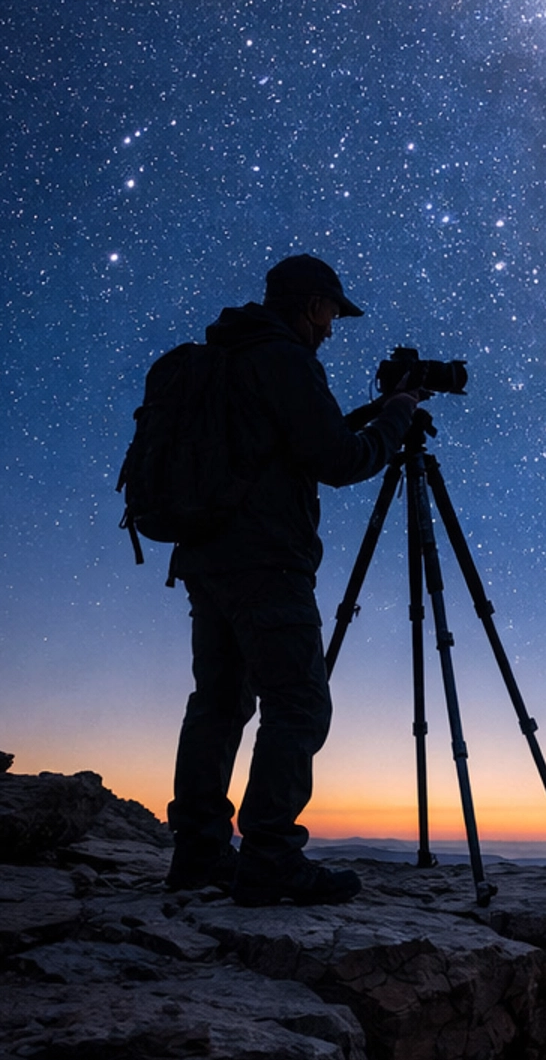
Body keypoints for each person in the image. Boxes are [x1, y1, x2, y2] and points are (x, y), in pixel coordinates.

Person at [165, 254, 420, 905]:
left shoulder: (227, 356)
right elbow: (339, 460)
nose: (333, 328)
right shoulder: (285, 359)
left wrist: (373, 410)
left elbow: (286, 443)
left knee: (219, 701)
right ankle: (271, 858)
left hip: (205, 556)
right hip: (266, 560)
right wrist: (396, 417)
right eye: (331, 313)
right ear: (311, 305)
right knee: (299, 702)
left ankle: (198, 853)